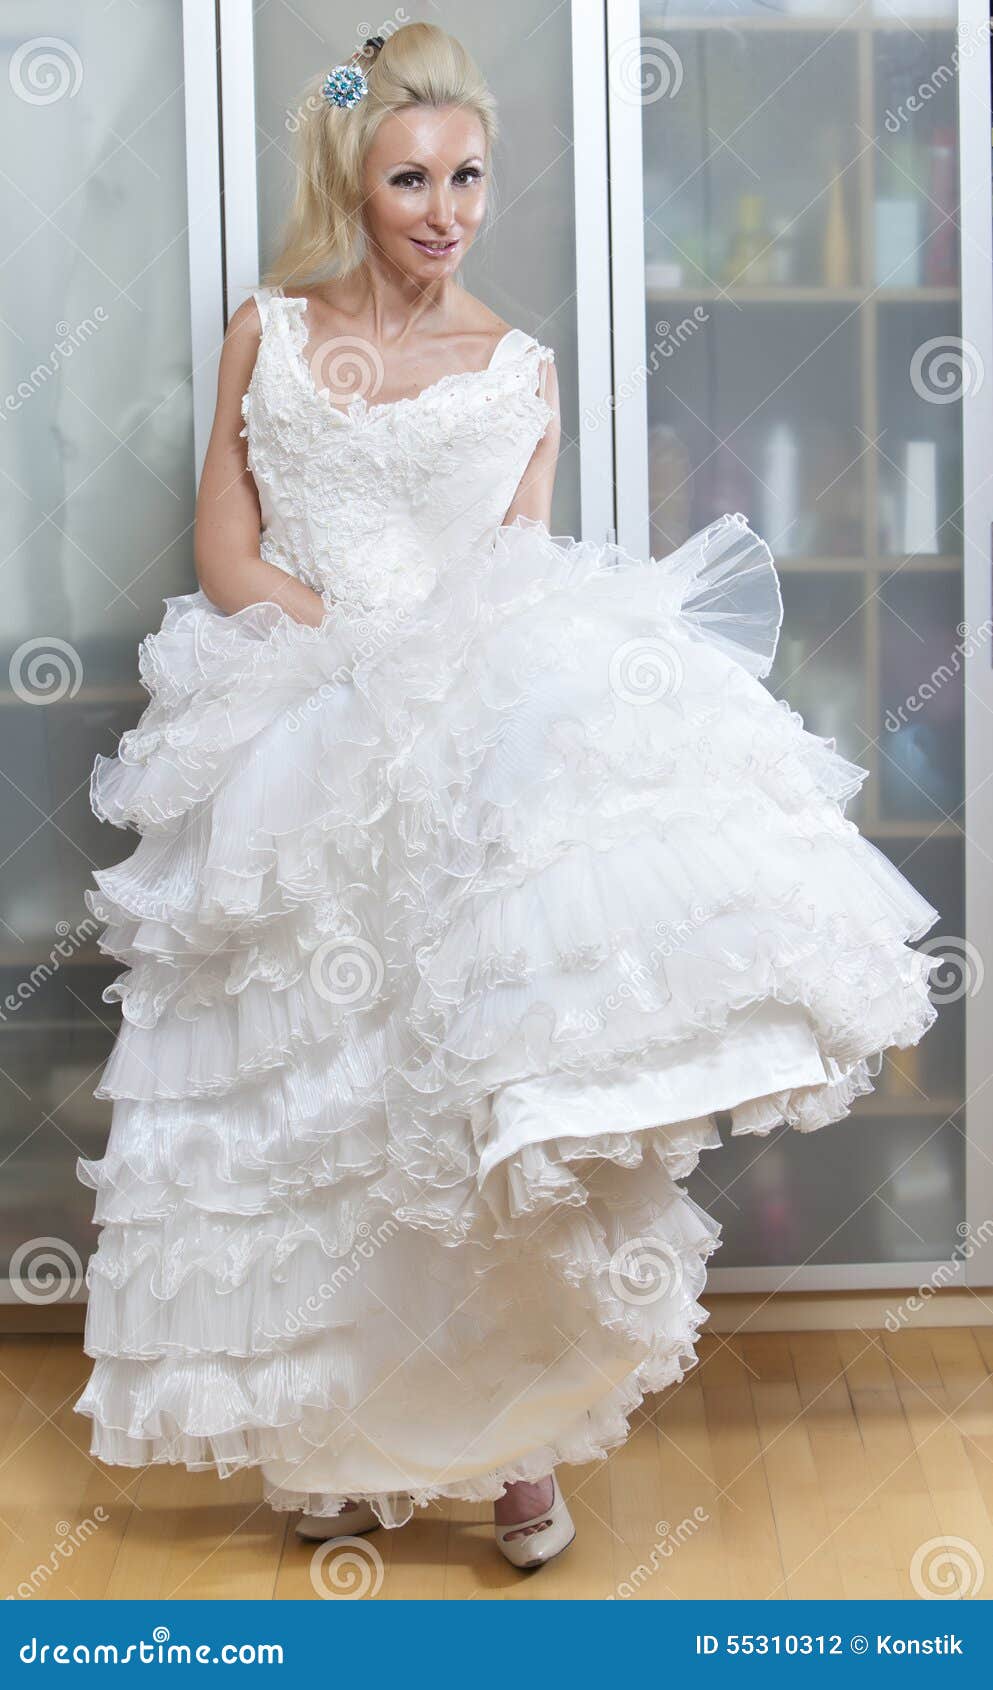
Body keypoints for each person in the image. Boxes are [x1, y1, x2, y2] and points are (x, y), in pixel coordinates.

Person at [73, 22, 941, 1574]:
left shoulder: (519, 365)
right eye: (411, 175)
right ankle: (331, 1442)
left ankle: (516, 1439)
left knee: (474, 1091)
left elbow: (518, 570)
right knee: (312, 1106)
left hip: (465, 743)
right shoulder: (265, 332)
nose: (444, 206)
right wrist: (352, 659)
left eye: (467, 175)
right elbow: (225, 552)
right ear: (354, 171)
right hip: (287, 723)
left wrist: (434, 687)